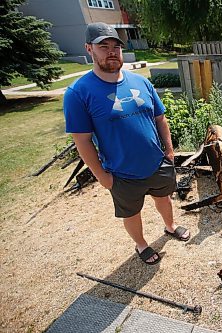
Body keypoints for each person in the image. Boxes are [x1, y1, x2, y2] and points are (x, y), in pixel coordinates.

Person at [63, 22, 190, 265]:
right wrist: (102, 176)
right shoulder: (78, 93)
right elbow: (82, 140)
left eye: (116, 46)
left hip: (156, 163)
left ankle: (170, 226)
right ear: (89, 49)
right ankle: (141, 245)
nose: (112, 52)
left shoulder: (140, 82)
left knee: (164, 198)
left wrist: (170, 151)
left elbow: (160, 118)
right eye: (104, 47)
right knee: (132, 212)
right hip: (121, 173)